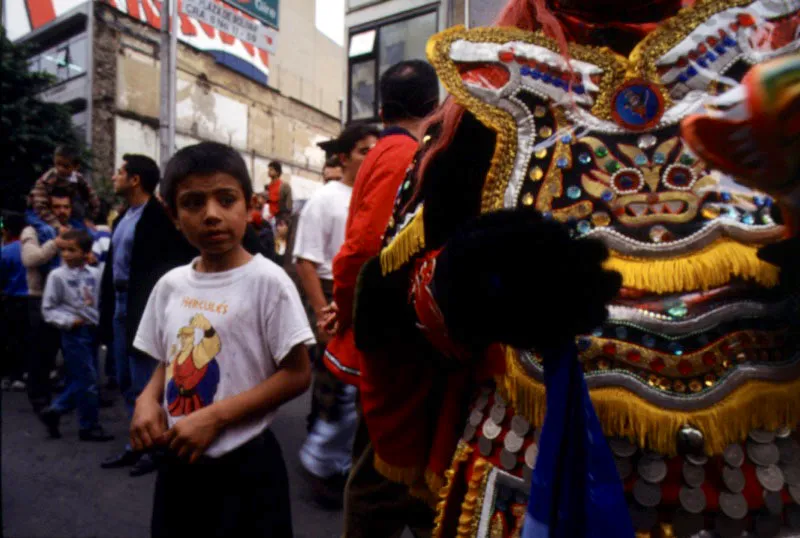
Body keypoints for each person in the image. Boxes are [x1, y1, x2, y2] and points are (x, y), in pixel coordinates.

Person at [347, 0, 800, 536]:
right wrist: (468, 282)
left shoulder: (770, 58)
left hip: (768, 475)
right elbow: (388, 306)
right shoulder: (488, 91)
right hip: (534, 480)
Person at [130, 141, 313, 538]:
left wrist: (215, 416)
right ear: (174, 215)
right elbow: (169, 356)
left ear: (248, 206)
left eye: (226, 199)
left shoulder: (268, 282)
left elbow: (298, 374)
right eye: (193, 203)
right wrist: (146, 399)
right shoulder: (171, 285)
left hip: (246, 464)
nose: (211, 215)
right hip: (180, 459)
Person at [320, 60, 441, 536]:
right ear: (435, 108)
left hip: (393, 331)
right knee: (383, 469)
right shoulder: (403, 155)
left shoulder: (390, 150)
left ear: (382, 108)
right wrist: (348, 310)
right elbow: (368, 248)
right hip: (398, 339)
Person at [293, 122, 379, 507]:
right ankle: (321, 465)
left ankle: (341, 461)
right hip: (332, 295)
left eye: (376, 150)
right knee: (334, 388)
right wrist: (321, 312)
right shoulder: (326, 199)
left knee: (357, 387)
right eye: (364, 150)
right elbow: (306, 262)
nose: (371, 156)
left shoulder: (374, 195)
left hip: (363, 297)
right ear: (343, 158)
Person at [99, 154, 196, 476]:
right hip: (120, 303)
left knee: (146, 380)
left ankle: (157, 447)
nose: (114, 177)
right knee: (125, 378)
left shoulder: (157, 217)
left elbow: (174, 261)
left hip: (143, 304)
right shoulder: (123, 216)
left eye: (119, 172)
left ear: (135, 179)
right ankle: (137, 442)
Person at [38, 229, 114, 442]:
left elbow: (103, 289)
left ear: (86, 252)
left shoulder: (94, 273)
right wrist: (69, 321)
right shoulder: (57, 276)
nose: (67, 254)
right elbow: (48, 309)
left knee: (84, 378)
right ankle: (88, 426)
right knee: (88, 380)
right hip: (74, 333)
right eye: (64, 250)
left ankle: (55, 411)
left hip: (92, 330)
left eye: (73, 250)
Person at [21, 189, 75, 412]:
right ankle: (39, 398)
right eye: (57, 207)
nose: (62, 212)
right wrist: (56, 243)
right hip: (40, 297)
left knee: (68, 352)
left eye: (66, 207)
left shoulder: (74, 229)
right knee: (41, 353)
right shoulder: (33, 230)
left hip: (68, 300)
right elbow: (30, 258)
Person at [28, 145, 99, 227]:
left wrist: (89, 218)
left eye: (66, 166)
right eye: (58, 164)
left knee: (82, 230)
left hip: (63, 213)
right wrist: (57, 226)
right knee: (48, 231)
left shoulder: (78, 179)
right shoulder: (46, 181)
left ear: (75, 167)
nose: (60, 169)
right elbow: (40, 206)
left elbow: (93, 198)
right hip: (38, 212)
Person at [1, 211, 30, 391]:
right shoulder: (31, 248)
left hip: (12, 300)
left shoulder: (5, 252)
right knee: (28, 338)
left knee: (12, 338)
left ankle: (14, 374)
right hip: (32, 299)